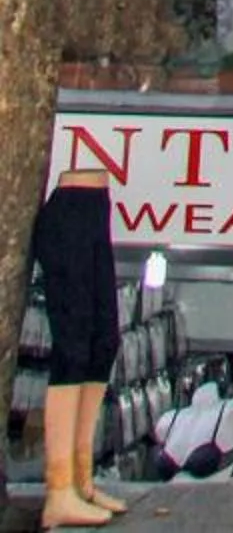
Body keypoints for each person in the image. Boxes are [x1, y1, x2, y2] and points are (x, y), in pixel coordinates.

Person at [30, 169, 123, 528]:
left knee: (104, 342)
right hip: (70, 206)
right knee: (74, 345)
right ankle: (59, 488)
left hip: (95, 204)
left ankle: (80, 479)